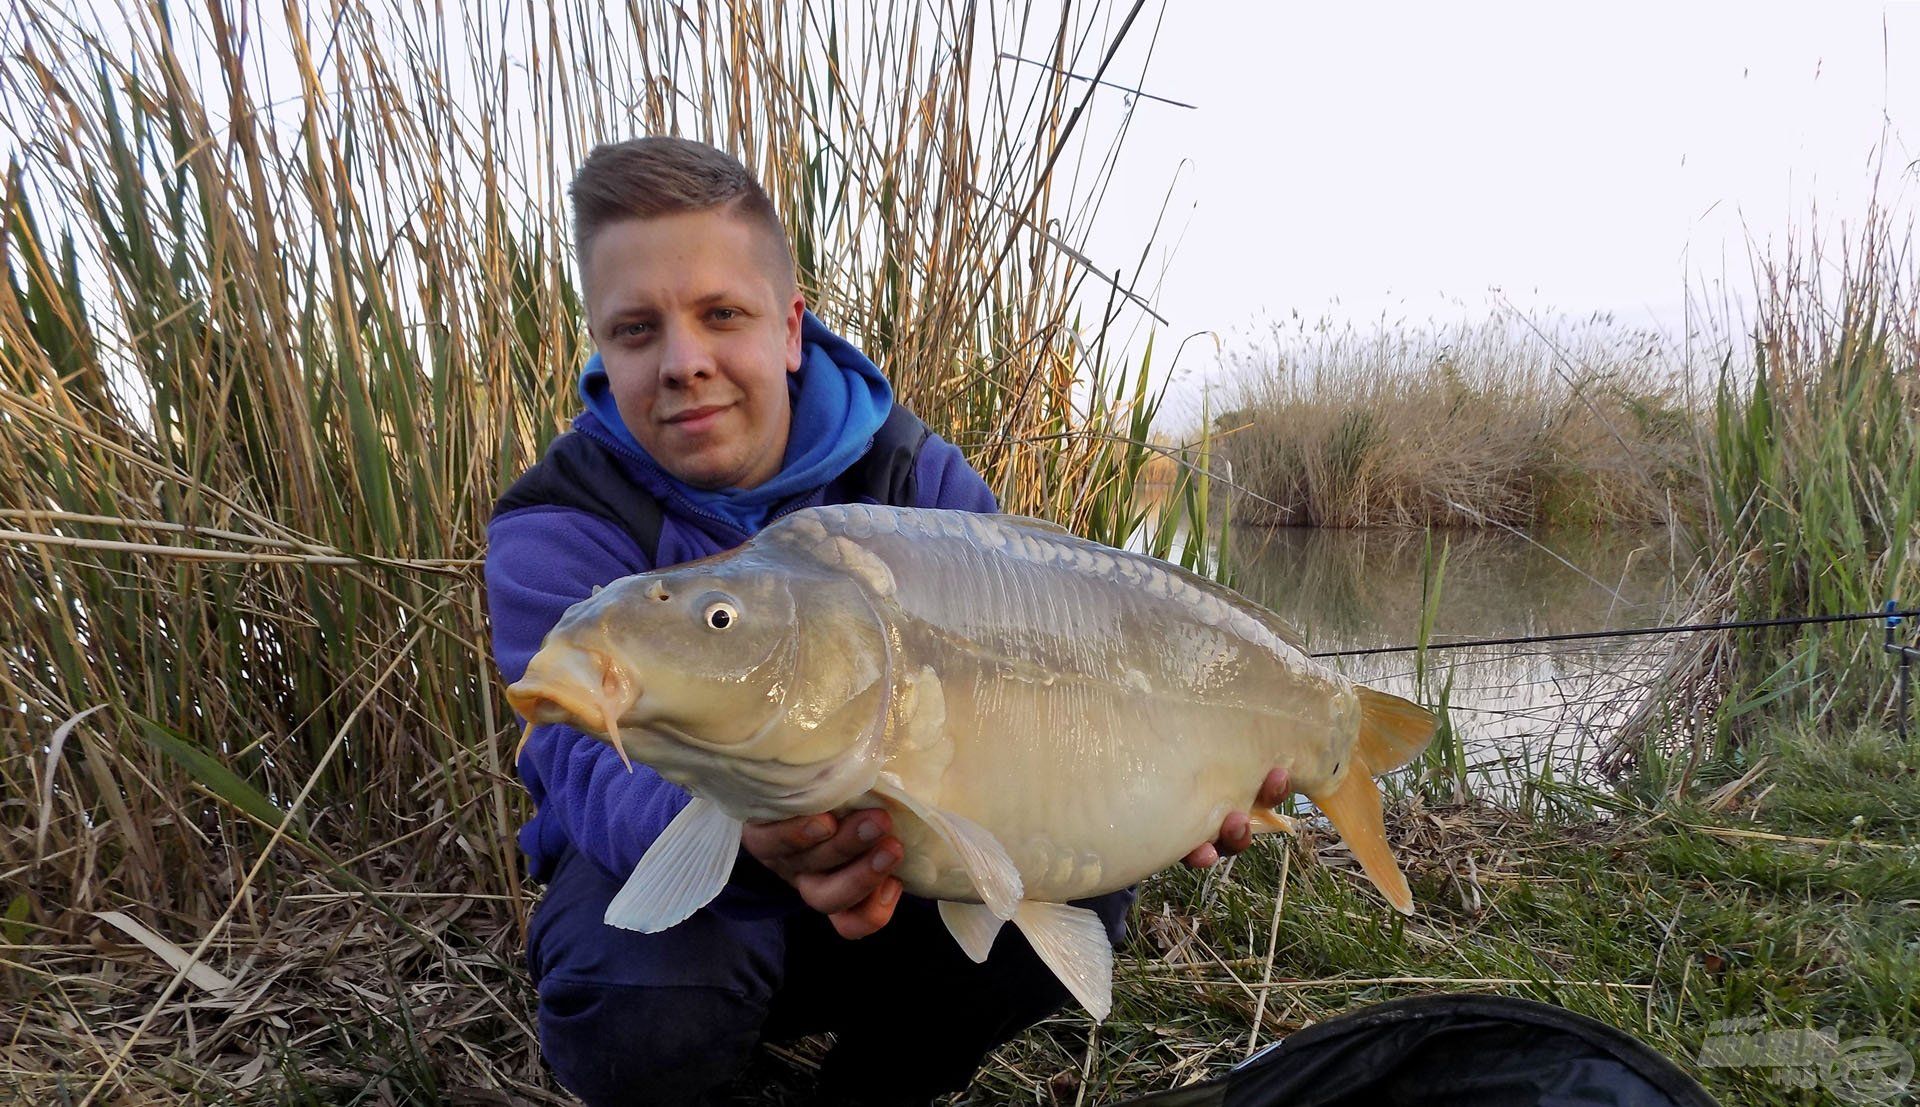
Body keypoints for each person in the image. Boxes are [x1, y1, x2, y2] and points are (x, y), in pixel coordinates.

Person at [485, 136, 1290, 1107]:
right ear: (602, 346)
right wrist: (758, 831)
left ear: (789, 328)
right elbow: (574, 769)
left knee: (1085, 872)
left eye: (721, 315)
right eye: (636, 330)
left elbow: (1063, 669)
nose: (684, 362)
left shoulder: (918, 481)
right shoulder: (558, 522)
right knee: (634, 994)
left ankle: (873, 1091)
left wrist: (1175, 787)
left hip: (908, 866)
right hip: (690, 878)